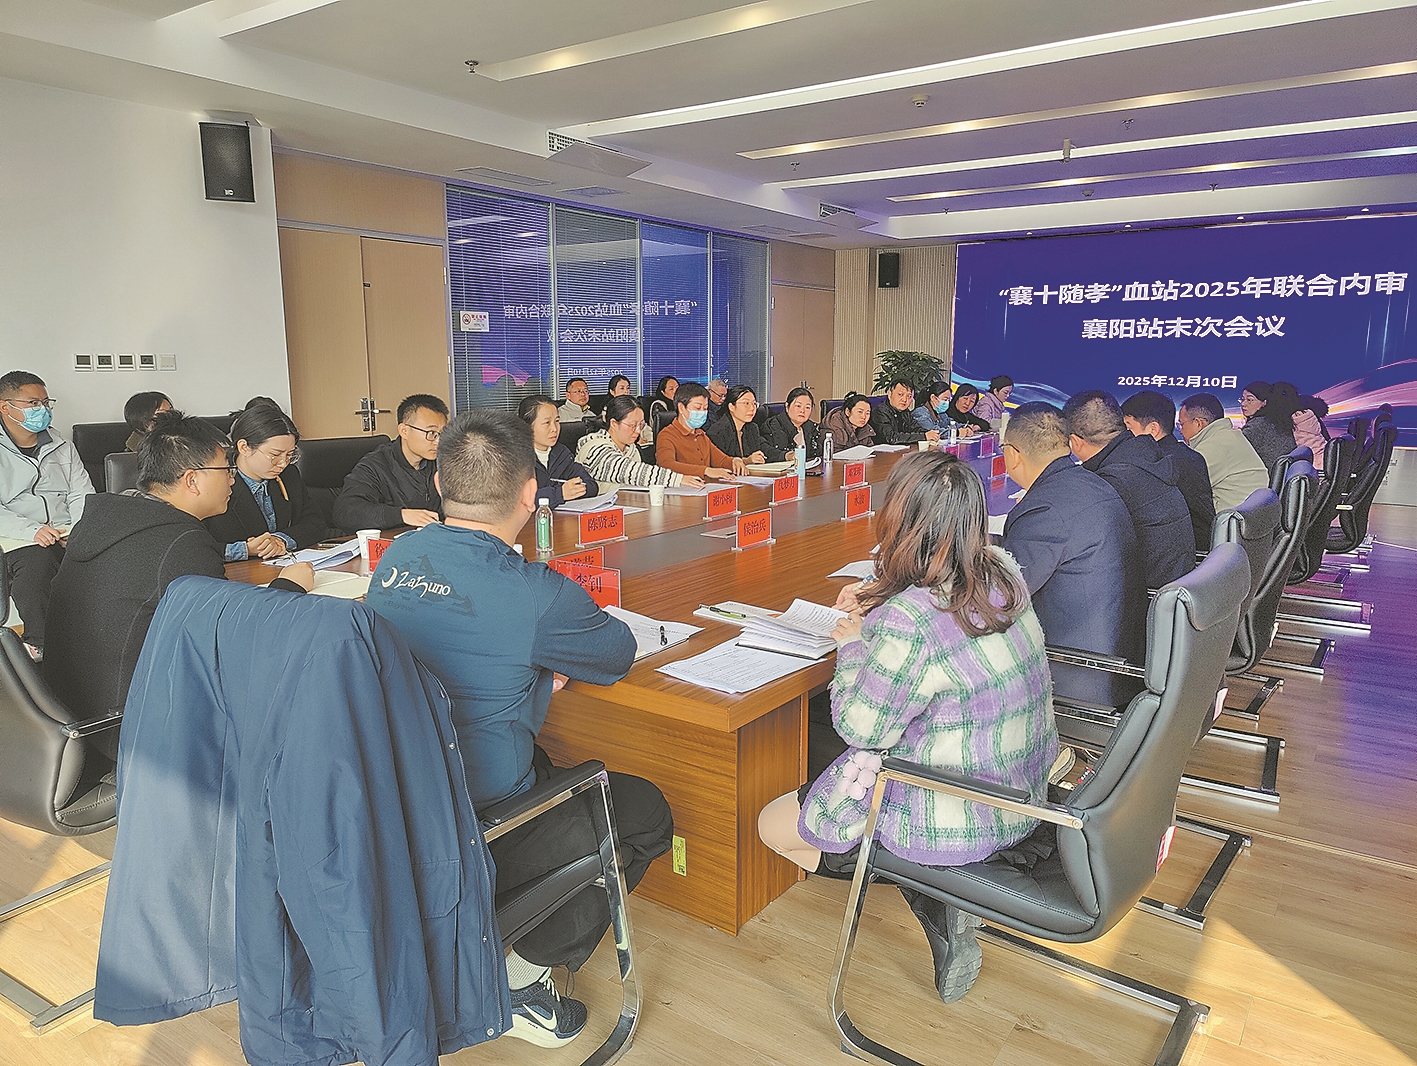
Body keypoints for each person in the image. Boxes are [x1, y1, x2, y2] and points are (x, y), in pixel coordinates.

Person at [364, 409, 673, 1048]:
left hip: (397, 800)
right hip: (485, 810)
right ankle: (520, 978)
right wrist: (539, 660)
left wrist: (525, 668)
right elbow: (616, 653)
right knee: (644, 814)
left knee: (550, 767)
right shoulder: (535, 592)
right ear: (532, 494)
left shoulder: (398, 558)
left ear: (439, 486)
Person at [758, 451, 1057, 1004]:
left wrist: (853, 643)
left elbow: (859, 727)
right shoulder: (1002, 570)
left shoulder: (911, 619)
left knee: (773, 826)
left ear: (896, 523)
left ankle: (932, 892)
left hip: (955, 806)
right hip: (1022, 788)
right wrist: (877, 595)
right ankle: (938, 889)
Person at [44, 411, 311, 755]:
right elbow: (234, 641)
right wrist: (289, 587)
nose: (233, 480)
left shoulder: (108, 519)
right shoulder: (179, 541)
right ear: (192, 480)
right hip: (134, 730)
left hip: (74, 724)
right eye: (227, 470)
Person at [1000, 403, 1145, 706]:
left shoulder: (1044, 509)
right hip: (1119, 661)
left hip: (1077, 674)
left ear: (1012, 454)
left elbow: (1000, 599)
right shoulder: (1091, 483)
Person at [0, 371, 94, 659]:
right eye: (32, 403)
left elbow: (81, 493)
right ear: (5, 407)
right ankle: (40, 645)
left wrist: (79, 530)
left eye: (45, 402)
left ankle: (97, 640)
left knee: (101, 554)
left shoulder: (61, 444)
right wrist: (33, 530)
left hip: (63, 527)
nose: (42, 409)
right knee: (37, 564)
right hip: (15, 534)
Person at [1062, 391, 1195, 589]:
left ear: (1075, 442)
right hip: (1173, 589)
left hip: (1144, 597)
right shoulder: (1145, 458)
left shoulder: (1111, 480)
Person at [202, 404, 327, 559]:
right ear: (244, 447)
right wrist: (245, 549)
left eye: (290, 455)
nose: (283, 463)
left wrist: (280, 540)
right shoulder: (214, 483)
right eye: (275, 455)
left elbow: (315, 523)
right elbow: (196, 546)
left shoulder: (289, 475)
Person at [332, 394, 447, 532]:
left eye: (443, 433)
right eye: (431, 433)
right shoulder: (375, 466)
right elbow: (345, 512)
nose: (438, 441)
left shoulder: (445, 461)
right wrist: (401, 515)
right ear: (404, 431)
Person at [1121, 390, 1215, 550]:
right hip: (1201, 547)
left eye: (1128, 427)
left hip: (1182, 552)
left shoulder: (1153, 464)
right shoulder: (1189, 455)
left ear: (1153, 429)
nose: (1123, 435)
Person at [576, 395, 701, 489]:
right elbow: (628, 471)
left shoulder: (630, 448)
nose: (638, 431)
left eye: (641, 425)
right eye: (632, 425)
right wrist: (677, 479)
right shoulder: (594, 448)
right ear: (614, 423)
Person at [1179, 394, 1269, 512]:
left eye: (1182, 424)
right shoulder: (1226, 436)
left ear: (1198, 423)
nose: (1180, 431)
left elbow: (1185, 486)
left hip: (1230, 519)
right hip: (1246, 515)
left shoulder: (1214, 446)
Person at [518, 395, 599, 508]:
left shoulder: (561, 453)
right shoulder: (515, 458)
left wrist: (573, 490)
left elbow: (591, 486)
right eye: (547, 423)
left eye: (557, 421)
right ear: (527, 427)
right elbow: (516, 500)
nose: (554, 429)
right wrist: (560, 493)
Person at [655, 382, 744, 479]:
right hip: (682, 487)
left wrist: (734, 461)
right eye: (697, 408)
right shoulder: (666, 435)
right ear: (681, 408)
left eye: (705, 408)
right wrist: (705, 471)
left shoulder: (700, 435)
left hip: (705, 486)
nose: (702, 412)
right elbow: (667, 465)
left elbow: (720, 460)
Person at [1242, 381, 1299, 475]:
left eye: (1250, 400)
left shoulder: (1258, 425)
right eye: (1242, 399)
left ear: (1264, 402)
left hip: (1260, 477)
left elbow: (1233, 452)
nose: (1243, 404)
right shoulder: (1277, 422)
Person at [707, 385, 776, 462]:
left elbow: (764, 448)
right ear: (731, 407)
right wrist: (747, 461)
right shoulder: (718, 432)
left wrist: (784, 455)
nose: (752, 408)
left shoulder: (752, 428)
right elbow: (719, 462)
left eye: (754, 403)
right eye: (746, 403)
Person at [871, 379, 938, 445]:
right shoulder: (880, 412)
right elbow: (892, 437)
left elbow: (916, 428)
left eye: (909, 396)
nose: (905, 399)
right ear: (890, 394)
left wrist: (930, 434)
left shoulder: (905, 412)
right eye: (900, 394)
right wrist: (924, 436)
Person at [764, 387, 822, 460]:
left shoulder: (811, 427)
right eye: (798, 406)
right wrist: (786, 456)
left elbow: (818, 453)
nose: (802, 411)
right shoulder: (773, 426)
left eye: (807, 407)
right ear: (787, 406)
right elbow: (767, 452)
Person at [1294, 395, 1330, 470]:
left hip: (1310, 464)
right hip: (1326, 458)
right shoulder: (1314, 418)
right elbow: (1327, 438)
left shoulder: (1291, 421)